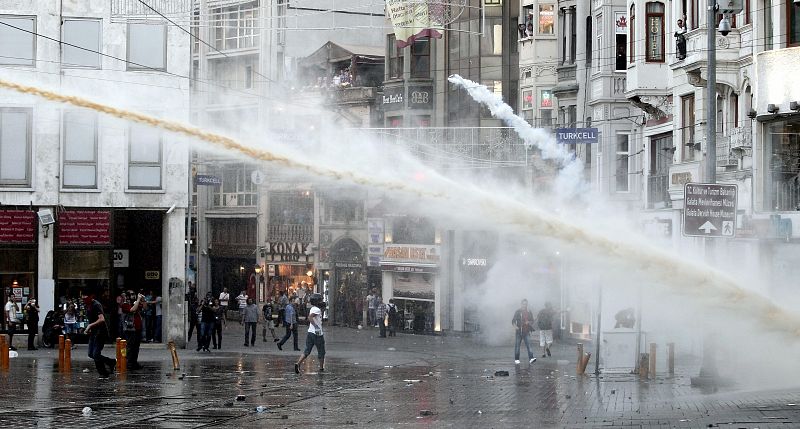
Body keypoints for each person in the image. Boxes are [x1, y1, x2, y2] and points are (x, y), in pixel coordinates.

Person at [83, 294, 115, 378]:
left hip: (100, 332)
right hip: (94, 332)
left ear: (91, 297)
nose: (84, 300)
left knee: (96, 354)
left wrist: (90, 326)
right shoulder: (88, 305)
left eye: (85, 298)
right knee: (91, 354)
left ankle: (103, 373)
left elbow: (101, 319)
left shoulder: (96, 305)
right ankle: (110, 362)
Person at [295, 293, 326, 374]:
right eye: (320, 300)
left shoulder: (313, 308)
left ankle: (298, 363)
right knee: (321, 351)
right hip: (317, 333)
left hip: (310, 332)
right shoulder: (317, 310)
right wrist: (316, 326)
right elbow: (310, 317)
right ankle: (321, 367)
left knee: (307, 350)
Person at [120, 291, 144, 370]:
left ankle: (134, 362)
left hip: (137, 328)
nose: (133, 296)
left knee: (136, 347)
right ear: (127, 296)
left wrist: (141, 300)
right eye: (132, 294)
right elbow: (132, 310)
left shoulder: (135, 302)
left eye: (134, 294)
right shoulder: (125, 304)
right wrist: (138, 300)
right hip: (130, 329)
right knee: (130, 346)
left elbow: (144, 307)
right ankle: (128, 363)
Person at [511, 299, 537, 365]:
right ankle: (517, 359)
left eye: (526, 304)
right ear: (521, 304)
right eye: (523, 304)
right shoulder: (518, 311)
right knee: (517, 346)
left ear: (527, 304)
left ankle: (531, 358)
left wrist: (529, 322)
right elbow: (513, 321)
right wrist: (515, 326)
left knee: (529, 345)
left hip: (526, 331)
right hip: (519, 331)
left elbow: (532, 320)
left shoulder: (529, 311)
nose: (524, 305)